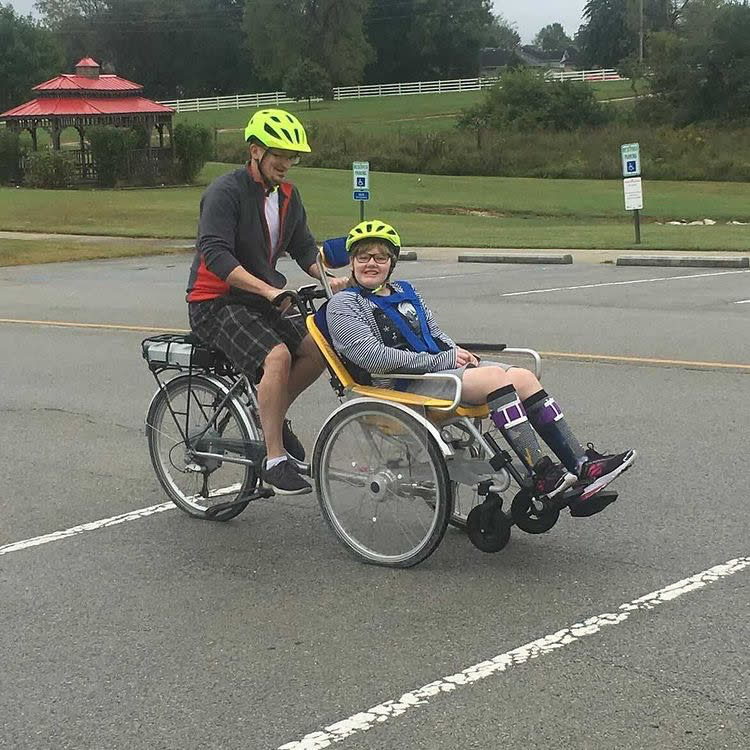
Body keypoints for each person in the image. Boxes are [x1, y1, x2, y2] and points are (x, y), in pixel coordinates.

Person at [326, 220, 636, 504]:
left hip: (437, 372)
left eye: (380, 257)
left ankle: (582, 465)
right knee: (494, 380)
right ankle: (541, 475)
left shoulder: (405, 291)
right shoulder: (344, 304)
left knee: (524, 377)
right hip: (400, 386)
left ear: (392, 262)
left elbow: (434, 332)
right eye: (363, 257)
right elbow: (373, 357)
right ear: (351, 262)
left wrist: (457, 351)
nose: (371, 264)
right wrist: (444, 359)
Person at [186, 108, 349, 495]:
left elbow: (304, 246)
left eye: (293, 156)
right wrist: (270, 290)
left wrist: (329, 279)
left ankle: (270, 416)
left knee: (317, 348)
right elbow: (217, 254)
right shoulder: (225, 192)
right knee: (276, 356)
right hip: (215, 302)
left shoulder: (288, 196)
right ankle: (273, 459)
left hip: (260, 301)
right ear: (256, 151)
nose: (287, 163)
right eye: (280, 153)